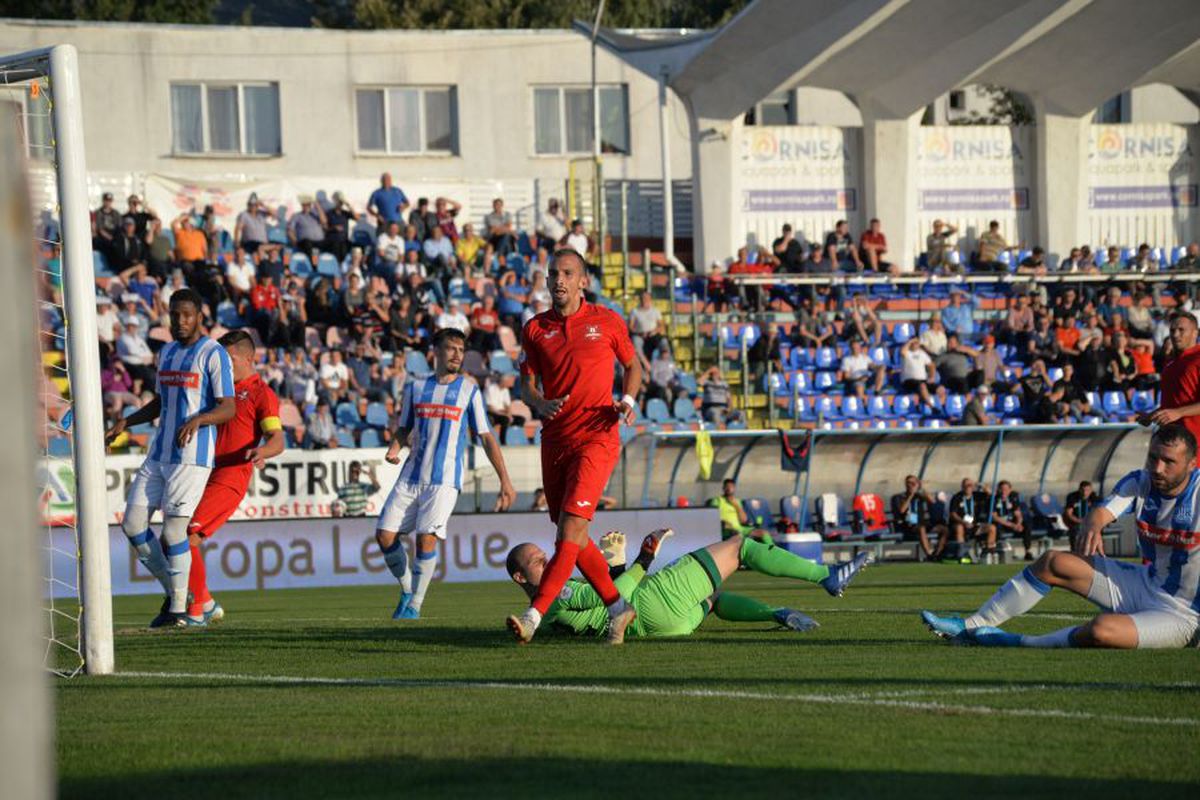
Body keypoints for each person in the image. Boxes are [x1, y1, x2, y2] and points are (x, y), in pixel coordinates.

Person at [922, 425, 1200, 649]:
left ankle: (1023, 643)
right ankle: (970, 626)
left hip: (1186, 615)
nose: (1158, 468)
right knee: (1054, 562)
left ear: (1191, 464)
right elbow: (1101, 512)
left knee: (1103, 631)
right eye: (1153, 457)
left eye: (1169, 462)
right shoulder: (1141, 481)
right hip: (1145, 584)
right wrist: (1092, 526)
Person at [506, 249, 643, 645]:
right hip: (555, 439)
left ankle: (534, 616)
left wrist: (628, 401)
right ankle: (618, 608)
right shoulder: (535, 329)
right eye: (553, 273)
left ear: (583, 280)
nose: (559, 280)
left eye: (567, 273)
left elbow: (633, 366)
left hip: (597, 436)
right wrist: (537, 401)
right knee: (573, 534)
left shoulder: (607, 321)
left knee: (570, 528)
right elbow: (526, 384)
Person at [103, 289, 236, 628]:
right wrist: (127, 421)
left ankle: (178, 609)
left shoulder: (213, 353)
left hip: (192, 455)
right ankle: (181, 596)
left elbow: (228, 407)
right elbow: (160, 402)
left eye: (187, 315)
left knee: (174, 531)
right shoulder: (167, 352)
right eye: (175, 315)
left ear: (199, 317)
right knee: (132, 524)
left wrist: (198, 419)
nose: (180, 321)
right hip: (160, 451)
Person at [507, 526, 872, 640]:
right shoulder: (555, 594)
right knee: (740, 546)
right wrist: (643, 558)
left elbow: (605, 602)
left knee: (713, 599)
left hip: (661, 630)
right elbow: (621, 593)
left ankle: (778, 613)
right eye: (539, 561)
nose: (551, 560)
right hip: (655, 602)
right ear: (520, 577)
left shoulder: (545, 616)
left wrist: (614, 567)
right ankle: (827, 576)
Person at [377, 329, 516, 620]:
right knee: (384, 536)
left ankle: (414, 606)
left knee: (425, 539)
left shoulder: (469, 390)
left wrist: (505, 480)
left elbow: (487, 436)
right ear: (435, 352)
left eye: (460, 349)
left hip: (443, 480)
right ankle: (406, 589)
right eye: (450, 348)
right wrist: (394, 448)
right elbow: (404, 428)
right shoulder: (415, 388)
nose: (456, 354)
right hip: (411, 475)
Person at [183, 330, 285, 625]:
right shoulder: (219, 392)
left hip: (232, 475)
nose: (224, 366)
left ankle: (196, 610)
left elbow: (278, 439)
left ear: (250, 359)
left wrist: (263, 451)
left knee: (187, 534)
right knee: (175, 533)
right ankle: (206, 602)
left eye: (230, 360)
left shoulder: (260, 394)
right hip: (203, 470)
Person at [1139, 312, 1200, 462]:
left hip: (1194, 445)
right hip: (1170, 443)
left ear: (1195, 333)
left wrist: (1178, 412)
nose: (1175, 334)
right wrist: (1153, 415)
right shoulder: (1171, 362)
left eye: (1181, 330)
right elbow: (1174, 403)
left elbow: (1177, 410)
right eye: (1172, 330)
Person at [891, 475, 947, 560]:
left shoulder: (919, 496)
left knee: (944, 529)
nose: (911, 485)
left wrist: (923, 488)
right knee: (922, 529)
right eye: (909, 483)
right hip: (909, 524)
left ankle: (937, 553)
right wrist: (911, 495)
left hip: (922, 523)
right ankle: (929, 555)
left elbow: (932, 501)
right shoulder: (900, 497)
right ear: (906, 484)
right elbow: (902, 510)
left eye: (913, 483)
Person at [948, 477, 997, 559]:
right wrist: (964, 522)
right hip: (962, 525)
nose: (968, 487)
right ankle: (962, 554)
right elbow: (953, 514)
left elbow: (991, 495)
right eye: (966, 485)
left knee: (992, 528)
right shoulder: (957, 497)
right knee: (959, 527)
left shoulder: (977, 495)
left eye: (970, 485)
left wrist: (983, 487)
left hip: (974, 525)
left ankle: (987, 553)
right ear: (962, 486)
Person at [712, 478, 771, 543]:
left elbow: (744, 520)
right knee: (735, 534)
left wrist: (736, 505)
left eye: (731, 487)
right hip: (725, 530)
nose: (729, 489)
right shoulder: (717, 501)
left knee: (764, 533)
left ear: (734, 488)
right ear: (723, 488)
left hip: (740, 529)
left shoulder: (737, 501)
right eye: (727, 487)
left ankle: (772, 551)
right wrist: (723, 523)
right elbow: (712, 518)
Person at [990, 480, 1031, 559]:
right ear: (998, 489)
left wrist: (1018, 524)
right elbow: (995, 517)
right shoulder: (994, 499)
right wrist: (1012, 525)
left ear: (1010, 490)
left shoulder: (1013, 498)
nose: (1003, 491)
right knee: (995, 527)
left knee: (1026, 525)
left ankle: (1027, 552)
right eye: (1001, 489)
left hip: (1011, 524)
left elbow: (1018, 514)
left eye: (1006, 489)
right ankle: (995, 552)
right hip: (1001, 523)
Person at [287, 195, 327, 262]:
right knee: (309, 246)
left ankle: (331, 266)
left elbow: (324, 221)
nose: (306, 207)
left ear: (310, 206)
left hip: (319, 241)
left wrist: (317, 206)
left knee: (331, 244)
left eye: (307, 205)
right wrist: (294, 240)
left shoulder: (315, 215)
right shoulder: (297, 216)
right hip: (305, 242)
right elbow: (290, 229)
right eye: (304, 205)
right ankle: (314, 265)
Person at [1063, 480, 1099, 552]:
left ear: (1091, 490)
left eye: (1087, 490)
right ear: (1079, 489)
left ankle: (1094, 552)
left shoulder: (1095, 498)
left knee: (1096, 530)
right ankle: (1075, 551)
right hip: (1076, 523)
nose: (1085, 493)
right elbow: (1069, 514)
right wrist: (1080, 521)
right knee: (1076, 530)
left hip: (1090, 523)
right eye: (1083, 490)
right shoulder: (1072, 497)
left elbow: (1098, 512)